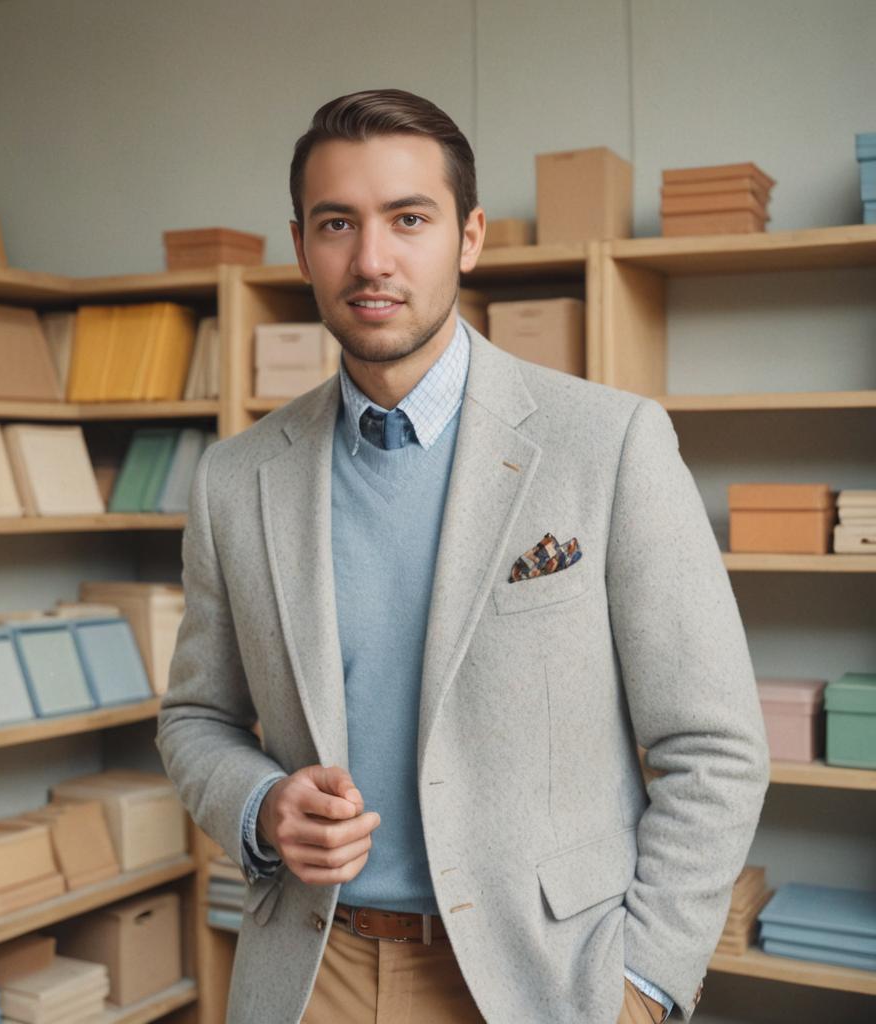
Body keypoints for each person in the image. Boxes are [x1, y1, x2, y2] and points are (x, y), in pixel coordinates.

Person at [157, 89, 769, 1024]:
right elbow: (196, 717)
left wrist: (645, 983)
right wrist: (262, 804)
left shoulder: (609, 445)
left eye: (410, 219)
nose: (372, 260)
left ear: (468, 237)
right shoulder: (235, 479)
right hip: (310, 973)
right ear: (301, 247)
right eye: (337, 224)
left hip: (542, 979)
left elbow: (715, 744)